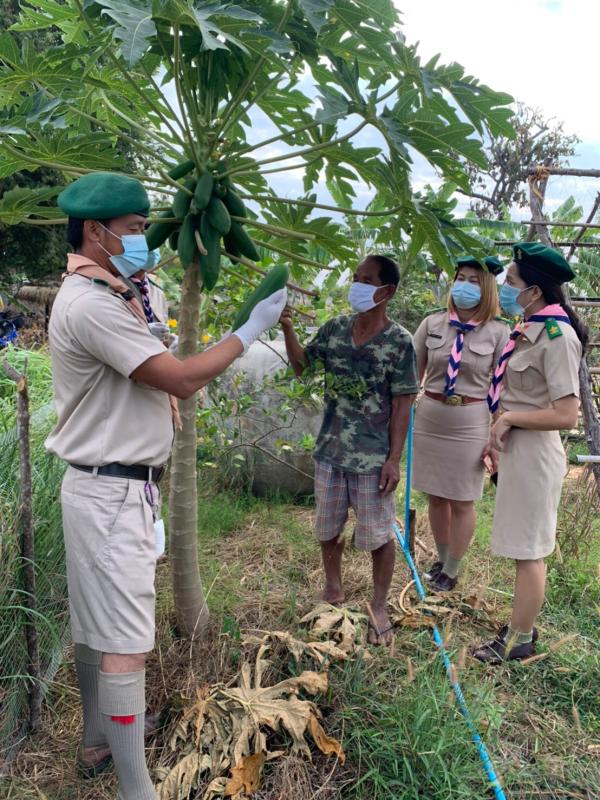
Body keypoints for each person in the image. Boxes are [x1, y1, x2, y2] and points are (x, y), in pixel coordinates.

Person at [45, 171, 286, 798]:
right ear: (96, 233)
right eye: (130, 232)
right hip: (109, 491)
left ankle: (99, 737)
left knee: (98, 625)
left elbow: (149, 309)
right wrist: (246, 333)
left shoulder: (111, 289)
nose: (142, 242)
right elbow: (178, 378)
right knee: (123, 641)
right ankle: (135, 789)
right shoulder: (92, 303)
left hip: (113, 487)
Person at [280, 254, 418, 645]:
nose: (356, 285)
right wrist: (289, 329)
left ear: (386, 291)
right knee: (327, 527)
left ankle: (379, 604)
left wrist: (394, 459)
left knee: (377, 535)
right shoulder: (335, 330)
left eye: (367, 279)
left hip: (373, 458)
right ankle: (333, 588)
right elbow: (302, 367)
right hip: (331, 450)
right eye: (355, 277)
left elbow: (403, 404)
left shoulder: (399, 343)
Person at [473, 242, 586, 663]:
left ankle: (518, 641)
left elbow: (566, 413)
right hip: (519, 453)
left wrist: (508, 420)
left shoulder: (557, 337)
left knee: (530, 552)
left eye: (512, 283)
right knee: (523, 547)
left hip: (536, 455)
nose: (505, 289)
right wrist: (498, 430)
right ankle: (520, 627)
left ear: (535, 291)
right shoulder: (529, 328)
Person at [411, 257, 509, 591]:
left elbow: (502, 388)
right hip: (430, 416)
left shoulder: (499, 332)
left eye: (473, 280)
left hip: (470, 421)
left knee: (462, 499)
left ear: (487, 289)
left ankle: (452, 571)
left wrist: (495, 436)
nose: (464, 285)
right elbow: (412, 375)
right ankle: (440, 560)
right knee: (436, 496)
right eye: (461, 278)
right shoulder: (432, 324)